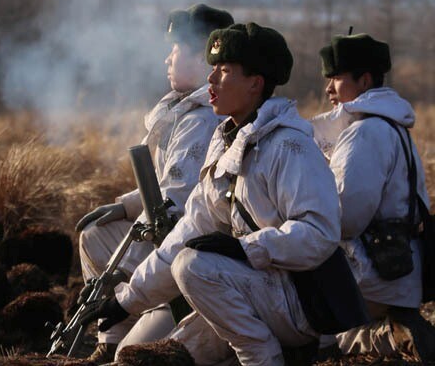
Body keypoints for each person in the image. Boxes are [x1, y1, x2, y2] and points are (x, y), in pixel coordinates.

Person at [83, 22, 347, 366]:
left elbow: (320, 234)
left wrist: (245, 248)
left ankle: (266, 358)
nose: (211, 80)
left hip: (299, 301)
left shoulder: (290, 146)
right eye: (212, 69)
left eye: (224, 71)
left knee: (193, 266)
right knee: (132, 356)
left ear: (255, 83)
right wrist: (126, 301)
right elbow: (189, 230)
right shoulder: (227, 143)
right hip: (253, 290)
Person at [75, 3, 234, 363]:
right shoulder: (182, 111)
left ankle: (136, 317)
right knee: (96, 235)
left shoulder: (201, 122)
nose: (167, 60)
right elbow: (166, 189)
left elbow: (174, 207)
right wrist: (127, 205)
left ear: (199, 58)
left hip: (186, 257)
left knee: (136, 357)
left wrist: (130, 277)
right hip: (166, 243)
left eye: (175, 50)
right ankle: (112, 336)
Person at [314, 32, 435, 361]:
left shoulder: (365, 133)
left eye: (336, 78)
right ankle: (395, 330)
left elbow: (345, 220)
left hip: (371, 272)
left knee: (301, 329)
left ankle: (390, 339)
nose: (328, 89)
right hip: (399, 269)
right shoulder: (394, 128)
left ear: (364, 80)